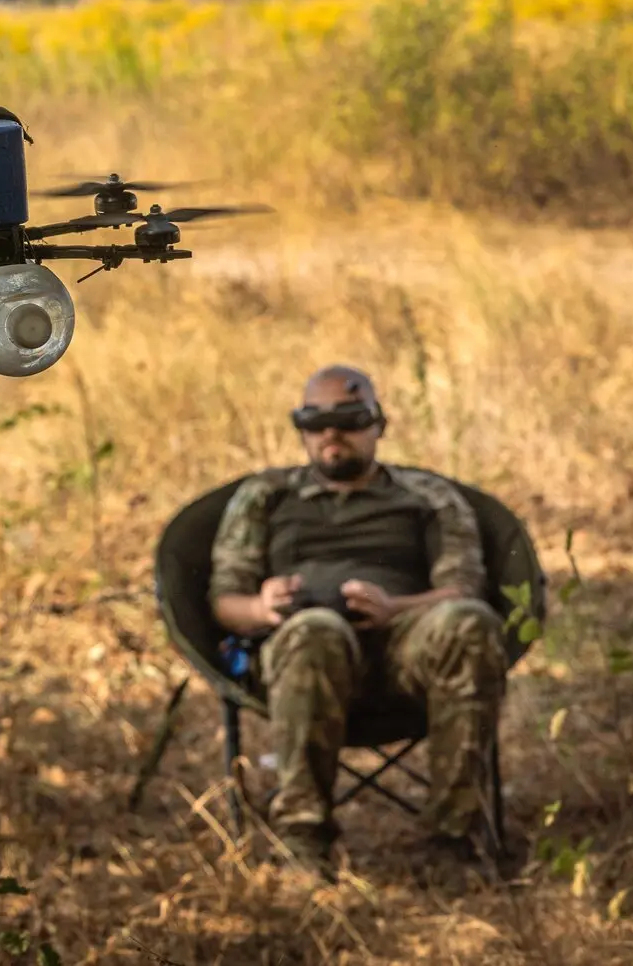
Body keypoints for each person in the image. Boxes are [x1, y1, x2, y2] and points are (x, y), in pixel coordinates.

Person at [208, 364, 509, 878]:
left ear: (378, 424)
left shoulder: (427, 497)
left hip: (404, 650)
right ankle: (303, 842)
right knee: (316, 632)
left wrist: (396, 607)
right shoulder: (267, 496)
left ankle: (454, 841)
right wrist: (261, 607)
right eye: (313, 421)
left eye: (349, 419)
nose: (331, 434)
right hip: (302, 654)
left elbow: (463, 588)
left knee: (469, 623)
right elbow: (224, 602)